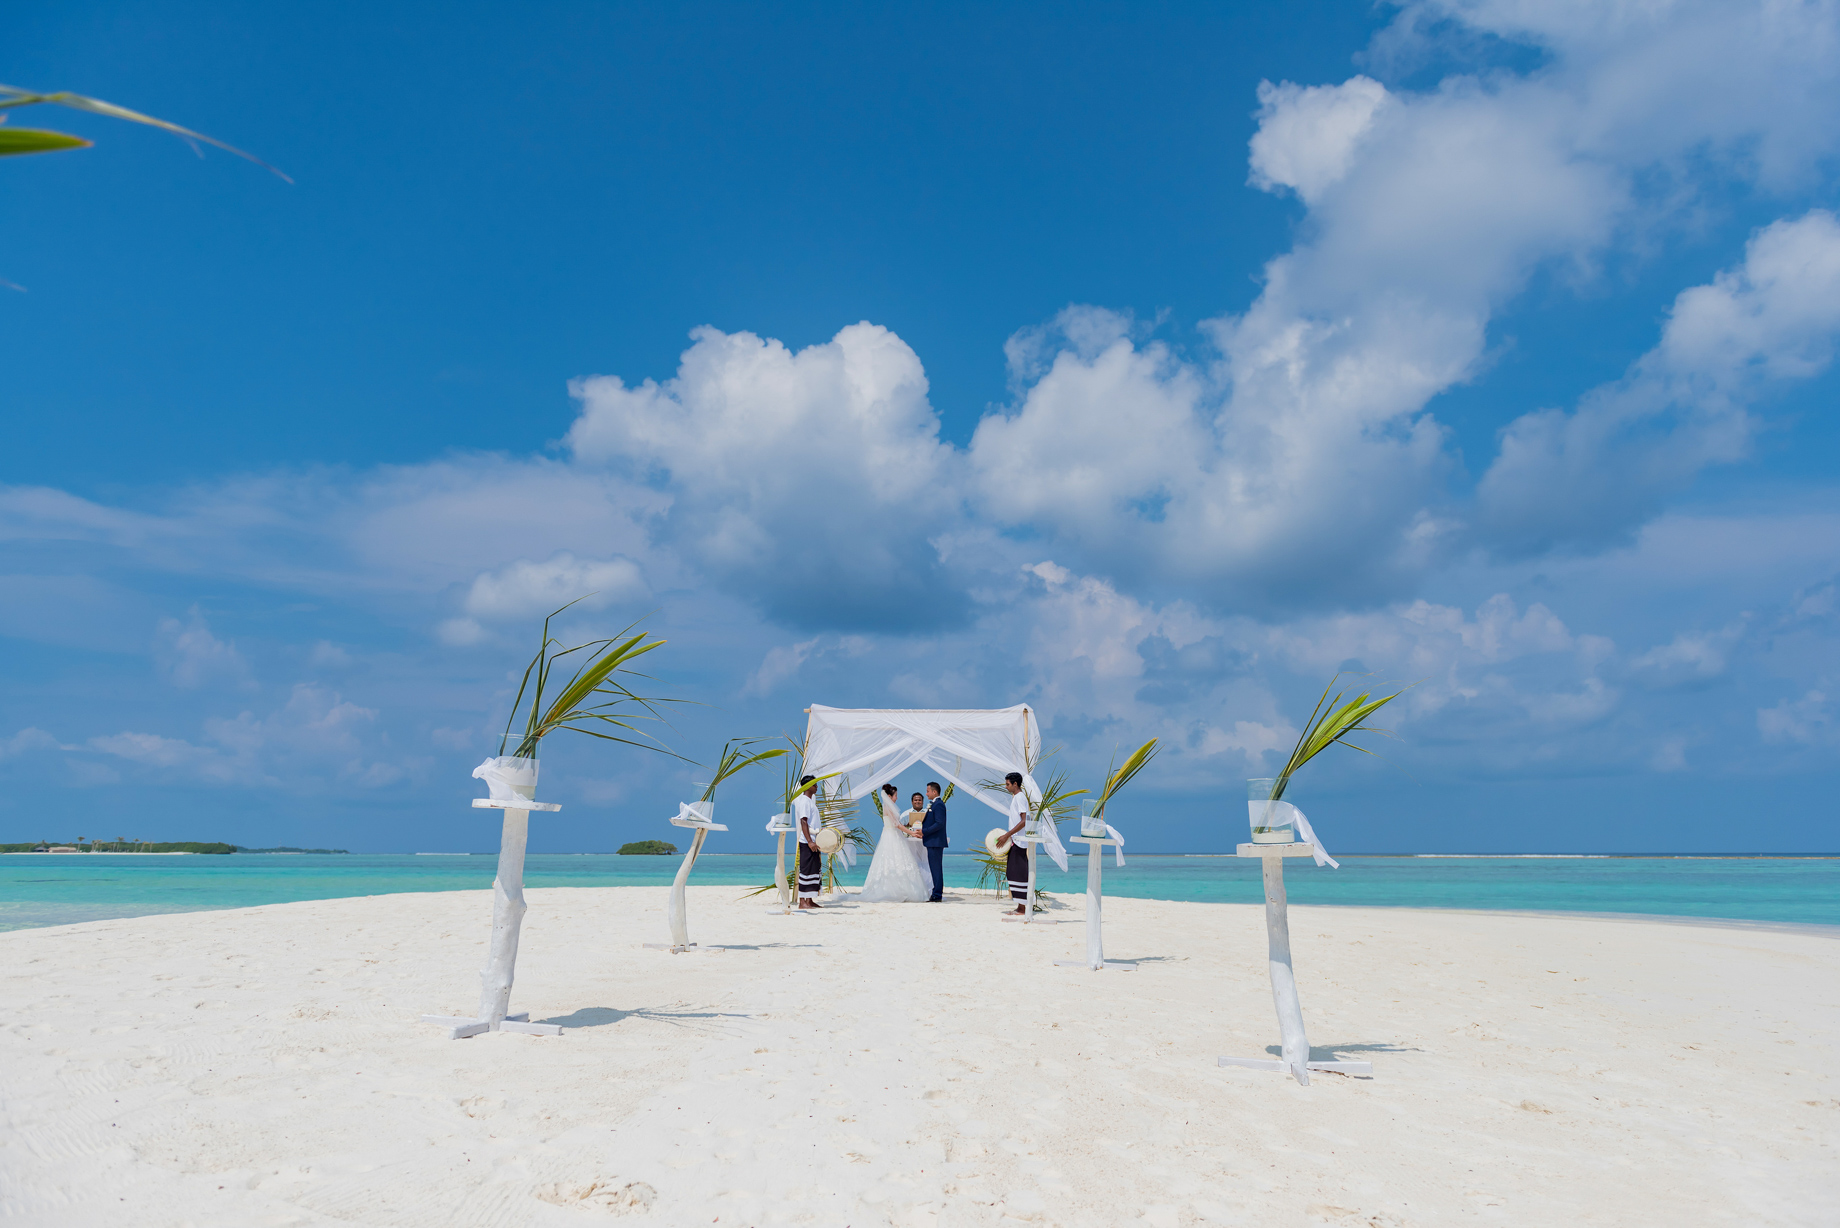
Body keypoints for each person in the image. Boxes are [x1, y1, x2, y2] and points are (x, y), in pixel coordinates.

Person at [858, 782, 933, 903]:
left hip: (893, 835)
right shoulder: (888, 807)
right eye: (895, 795)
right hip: (891, 836)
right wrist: (911, 832)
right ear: (889, 796)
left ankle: (901, 889)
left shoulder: (889, 806)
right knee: (893, 861)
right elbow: (897, 824)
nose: (897, 798)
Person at [998, 771, 1031, 916]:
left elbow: (1024, 821)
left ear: (1015, 784)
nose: (1006, 787)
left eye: (1007, 784)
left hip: (1019, 841)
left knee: (1017, 873)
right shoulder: (1017, 797)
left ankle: (1022, 908)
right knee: (1013, 872)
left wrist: (1007, 835)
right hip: (1016, 840)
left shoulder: (1020, 797)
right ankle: (1020, 906)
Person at [794, 775, 822, 909]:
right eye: (814, 784)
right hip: (807, 842)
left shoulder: (810, 801)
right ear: (808, 786)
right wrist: (810, 841)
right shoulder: (804, 801)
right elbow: (803, 821)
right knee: (805, 871)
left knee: (813, 870)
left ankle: (809, 900)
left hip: (814, 841)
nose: (817, 787)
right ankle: (802, 902)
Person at [921, 781, 949, 902]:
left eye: (928, 791)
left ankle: (937, 894)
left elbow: (939, 823)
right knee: (934, 868)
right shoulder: (935, 804)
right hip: (932, 841)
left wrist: (924, 831)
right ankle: (935, 892)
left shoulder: (939, 805)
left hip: (935, 842)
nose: (926, 794)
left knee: (936, 869)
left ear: (934, 792)